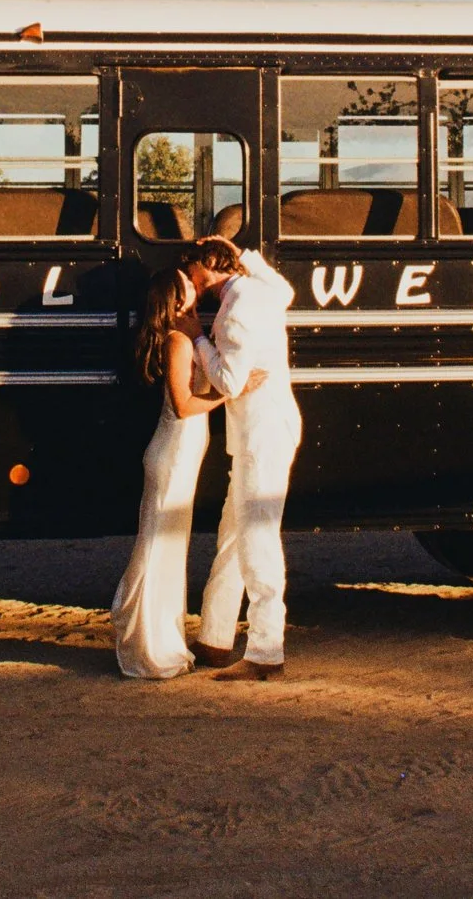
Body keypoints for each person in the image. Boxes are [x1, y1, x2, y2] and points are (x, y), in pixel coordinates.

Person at [109, 266, 264, 679]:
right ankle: (152, 648)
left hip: (179, 455)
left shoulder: (182, 337)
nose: (197, 290)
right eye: (188, 288)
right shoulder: (178, 342)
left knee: (167, 547)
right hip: (173, 455)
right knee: (162, 547)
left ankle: (156, 639)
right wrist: (232, 392)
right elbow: (183, 406)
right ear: (178, 301)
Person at [180, 235, 301, 681]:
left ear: (211, 265)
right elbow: (287, 291)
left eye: (194, 269)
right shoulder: (260, 290)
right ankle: (215, 637)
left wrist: (197, 338)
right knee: (234, 533)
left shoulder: (237, 310)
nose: (192, 279)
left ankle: (266, 653)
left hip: (260, 434)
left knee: (255, 540)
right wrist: (241, 253)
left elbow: (229, 382)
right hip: (266, 429)